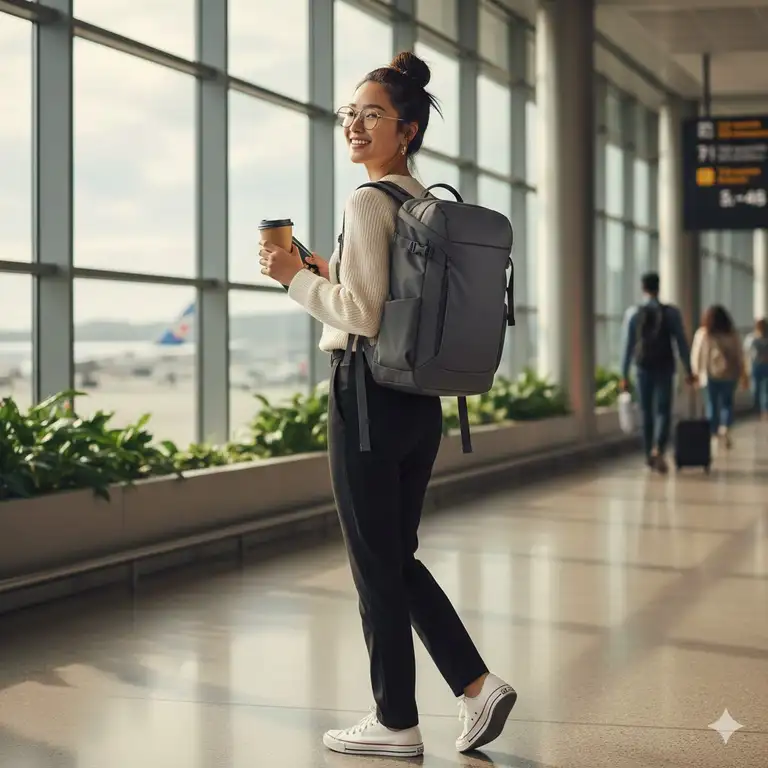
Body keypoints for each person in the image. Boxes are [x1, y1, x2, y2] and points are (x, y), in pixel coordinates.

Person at [258, 52, 516, 758]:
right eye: (351, 114)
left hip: (365, 396)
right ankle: (474, 686)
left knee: (375, 561)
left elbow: (362, 315)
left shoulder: (368, 201)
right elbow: (383, 299)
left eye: (372, 116)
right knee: (393, 554)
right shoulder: (416, 203)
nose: (356, 126)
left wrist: (292, 280)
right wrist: (326, 272)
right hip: (419, 403)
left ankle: (396, 720)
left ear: (405, 129)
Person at [619, 272, 694, 473]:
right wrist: (689, 369)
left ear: (643, 288)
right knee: (663, 410)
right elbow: (681, 343)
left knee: (646, 412)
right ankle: (659, 449)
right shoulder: (671, 313)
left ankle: (647, 455)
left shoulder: (633, 313)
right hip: (665, 367)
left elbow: (627, 347)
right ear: (659, 288)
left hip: (642, 368)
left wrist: (623, 374)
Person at [691, 305, 746, 447]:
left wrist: (696, 373)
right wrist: (743, 372)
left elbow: (696, 355)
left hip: (709, 375)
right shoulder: (732, 333)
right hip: (730, 374)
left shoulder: (704, 333)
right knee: (727, 404)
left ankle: (714, 433)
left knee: (712, 405)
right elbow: (739, 354)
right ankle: (725, 429)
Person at [744, 317, 768, 420]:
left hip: (762, 364)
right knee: (757, 388)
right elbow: (747, 352)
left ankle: (763, 409)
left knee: (764, 388)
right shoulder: (752, 338)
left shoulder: (753, 338)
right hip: (757, 364)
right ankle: (758, 409)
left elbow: (746, 351)